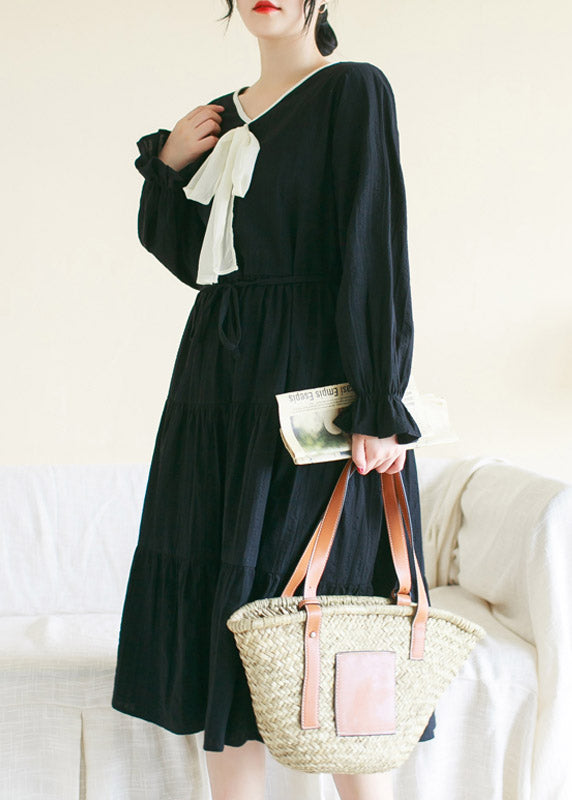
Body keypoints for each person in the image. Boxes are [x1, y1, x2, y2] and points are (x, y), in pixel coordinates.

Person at [111, 1, 436, 798]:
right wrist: (169, 168)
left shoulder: (351, 89)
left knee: (332, 610)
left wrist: (380, 400)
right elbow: (195, 261)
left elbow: (373, 241)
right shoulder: (219, 117)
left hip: (313, 379)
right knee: (222, 617)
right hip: (216, 384)